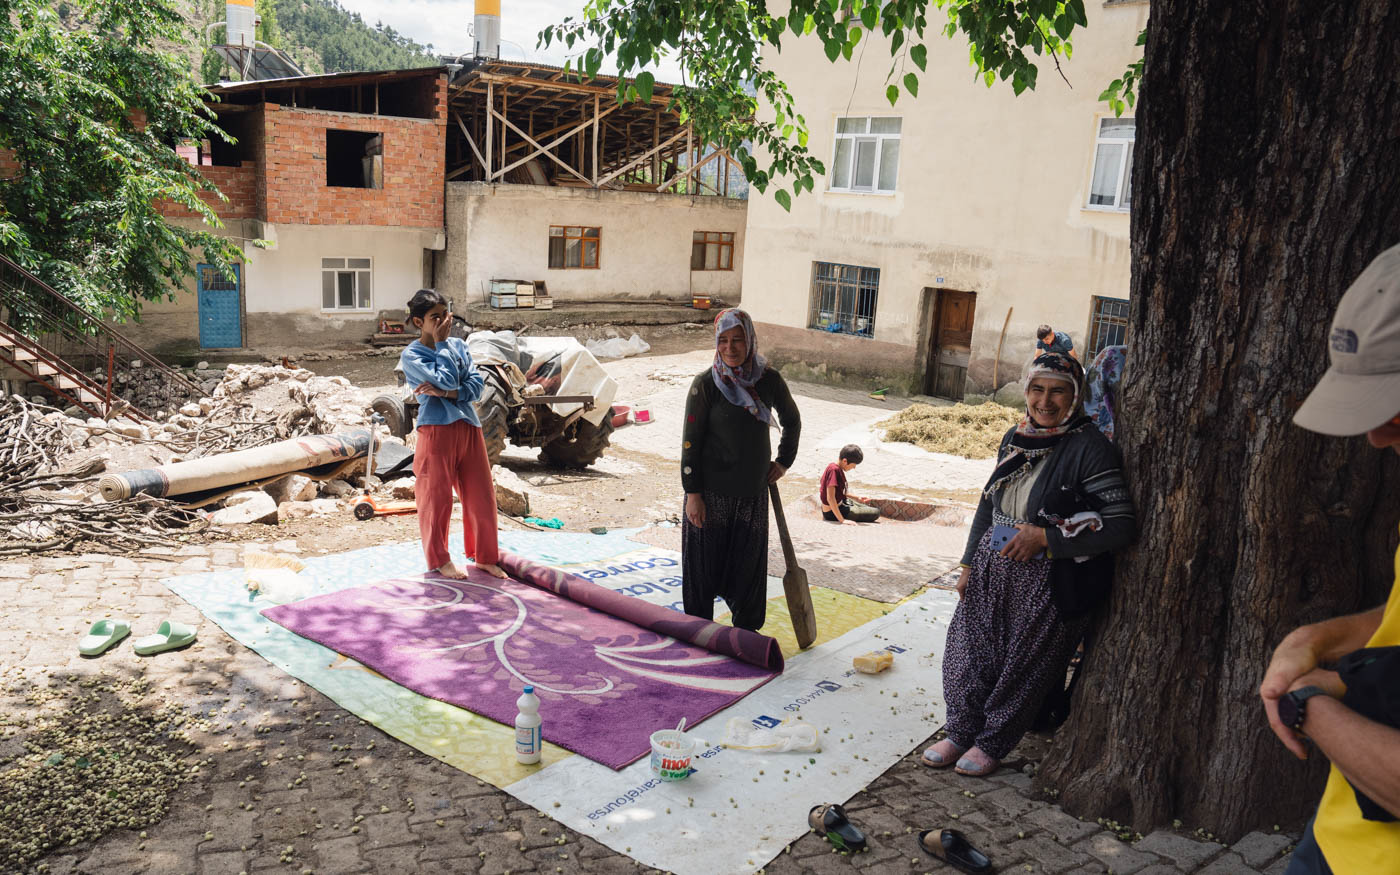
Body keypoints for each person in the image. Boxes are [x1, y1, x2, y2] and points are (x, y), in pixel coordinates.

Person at [923, 352, 1136, 776]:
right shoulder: (1014, 437)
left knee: (1024, 664)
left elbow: (1121, 526)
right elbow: (988, 505)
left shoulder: (1089, 448)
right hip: (993, 563)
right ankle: (961, 730)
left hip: (1050, 577)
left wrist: (1046, 538)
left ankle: (992, 742)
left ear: (1076, 396)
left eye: (1059, 390)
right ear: (1026, 392)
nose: (1046, 400)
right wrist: (967, 564)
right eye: (1038, 389)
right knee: (970, 651)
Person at [1260, 244, 1400, 874]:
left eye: (1395, 407)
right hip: (1342, 834)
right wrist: (1314, 637)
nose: (1376, 435)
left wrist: (1307, 704)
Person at [680, 308, 801, 631]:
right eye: (723, 340)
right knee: (702, 569)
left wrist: (783, 461)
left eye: (738, 340)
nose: (730, 348)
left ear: (750, 341)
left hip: (750, 494)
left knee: (747, 568)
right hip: (709, 496)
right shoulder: (705, 385)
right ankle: (698, 633)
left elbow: (792, 420)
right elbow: (690, 442)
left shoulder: (768, 380)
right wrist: (693, 494)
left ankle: (745, 637)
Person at [398, 289, 507, 581]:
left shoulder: (459, 345)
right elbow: (449, 377)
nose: (445, 321)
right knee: (437, 498)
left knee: (481, 495)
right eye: (436, 317)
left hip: (469, 426)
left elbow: (476, 387)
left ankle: (484, 557)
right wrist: (443, 350)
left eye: (446, 314)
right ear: (419, 322)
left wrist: (446, 392)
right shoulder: (412, 354)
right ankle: (440, 560)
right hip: (436, 430)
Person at [821, 444, 881, 524]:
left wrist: (857, 498)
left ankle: (854, 507)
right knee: (876, 512)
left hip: (841, 503)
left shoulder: (836, 468)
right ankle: (842, 515)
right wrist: (842, 520)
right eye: (854, 465)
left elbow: (841, 493)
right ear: (845, 461)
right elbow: (830, 498)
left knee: (865, 507)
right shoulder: (833, 470)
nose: (854, 467)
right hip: (831, 512)